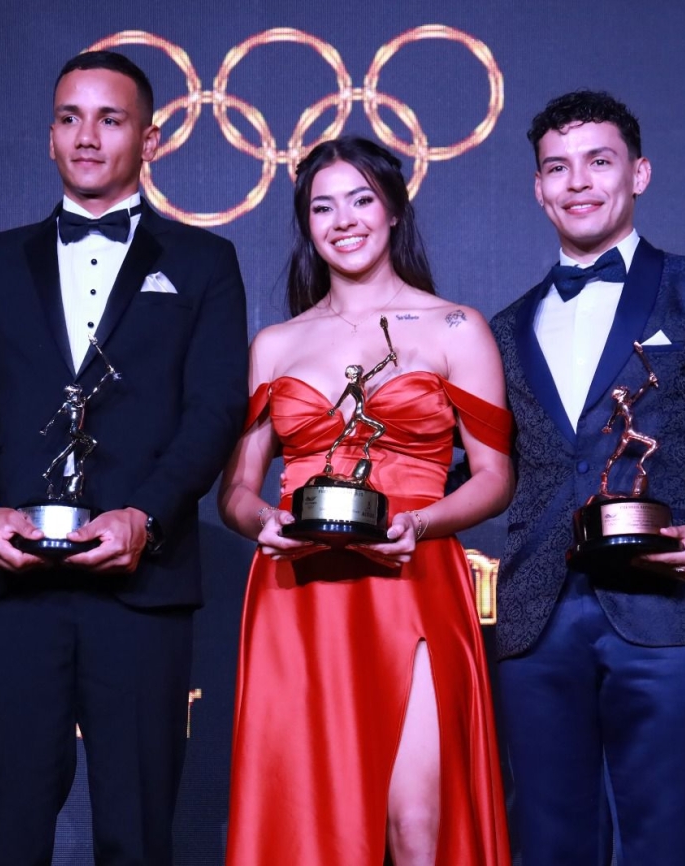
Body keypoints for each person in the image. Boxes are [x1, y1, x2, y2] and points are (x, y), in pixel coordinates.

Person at [0, 50, 248, 865]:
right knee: (7, 829)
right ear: (49, 136)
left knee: (137, 832)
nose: (87, 137)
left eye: (110, 119)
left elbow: (214, 410)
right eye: (70, 118)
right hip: (12, 583)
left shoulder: (205, 262)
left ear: (150, 138)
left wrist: (147, 515)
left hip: (140, 586)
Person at [490, 91, 685, 866]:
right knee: (548, 846)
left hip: (661, 608)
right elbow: (477, 463)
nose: (578, 182)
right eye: (558, 167)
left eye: (599, 161)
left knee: (660, 844)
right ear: (538, 187)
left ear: (639, 173)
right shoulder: (504, 327)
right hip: (535, 618)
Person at [218, 136, 514, 866]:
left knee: (417, 825)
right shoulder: (276, 343)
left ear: (394, 211)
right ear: (306, 223)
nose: (343, 220)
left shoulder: (455, 326)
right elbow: (237, 492)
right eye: (323, 207)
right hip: (298, 592)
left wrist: (421, 521)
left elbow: (493, 477)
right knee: (308, 827)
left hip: (411, 577)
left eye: (361, 200)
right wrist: (265, 522)